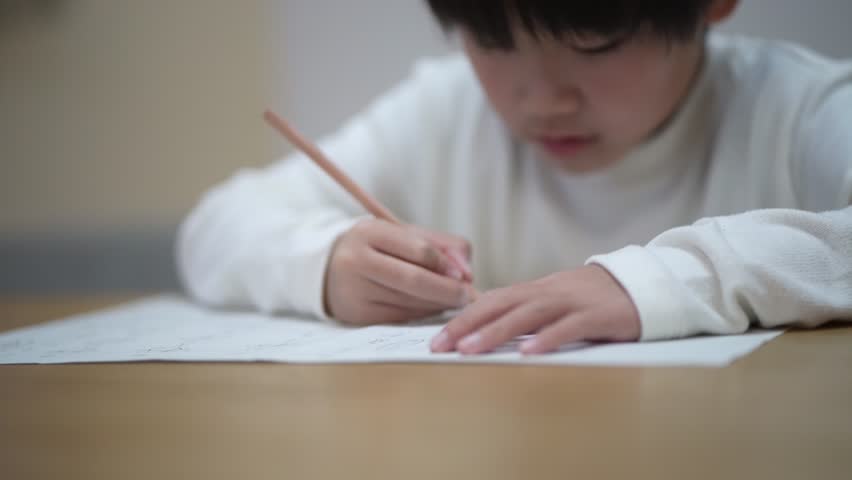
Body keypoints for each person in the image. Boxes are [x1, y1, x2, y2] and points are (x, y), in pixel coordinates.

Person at [177, 0, 852, 355]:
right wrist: (323, 264)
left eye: (596, 45)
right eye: (495, 44)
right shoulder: (446, 116)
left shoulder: (795, 109)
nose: (542, 101)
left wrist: (663, 282)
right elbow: (214, 226)